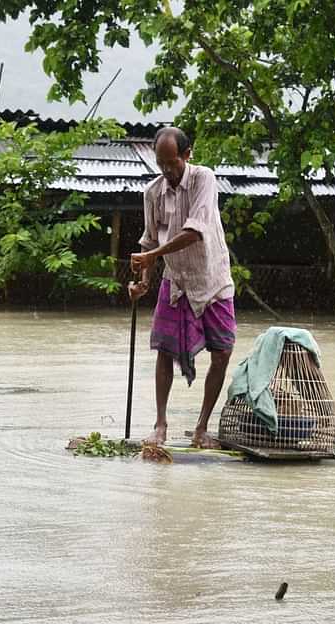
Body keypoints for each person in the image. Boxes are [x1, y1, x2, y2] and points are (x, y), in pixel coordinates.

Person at [128, 127, 236, 448]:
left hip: (211, 277)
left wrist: (151, 255)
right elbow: (149, 240)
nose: (166, 171)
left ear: (187, 155)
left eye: (171, 163)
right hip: (176, 281)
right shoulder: (153, 193)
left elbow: (195, 231)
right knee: (164, 350)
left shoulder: (204, 179)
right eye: (160, 164)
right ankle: (160, 425)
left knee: (223, 352)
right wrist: (142, 281)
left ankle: (202, 429)